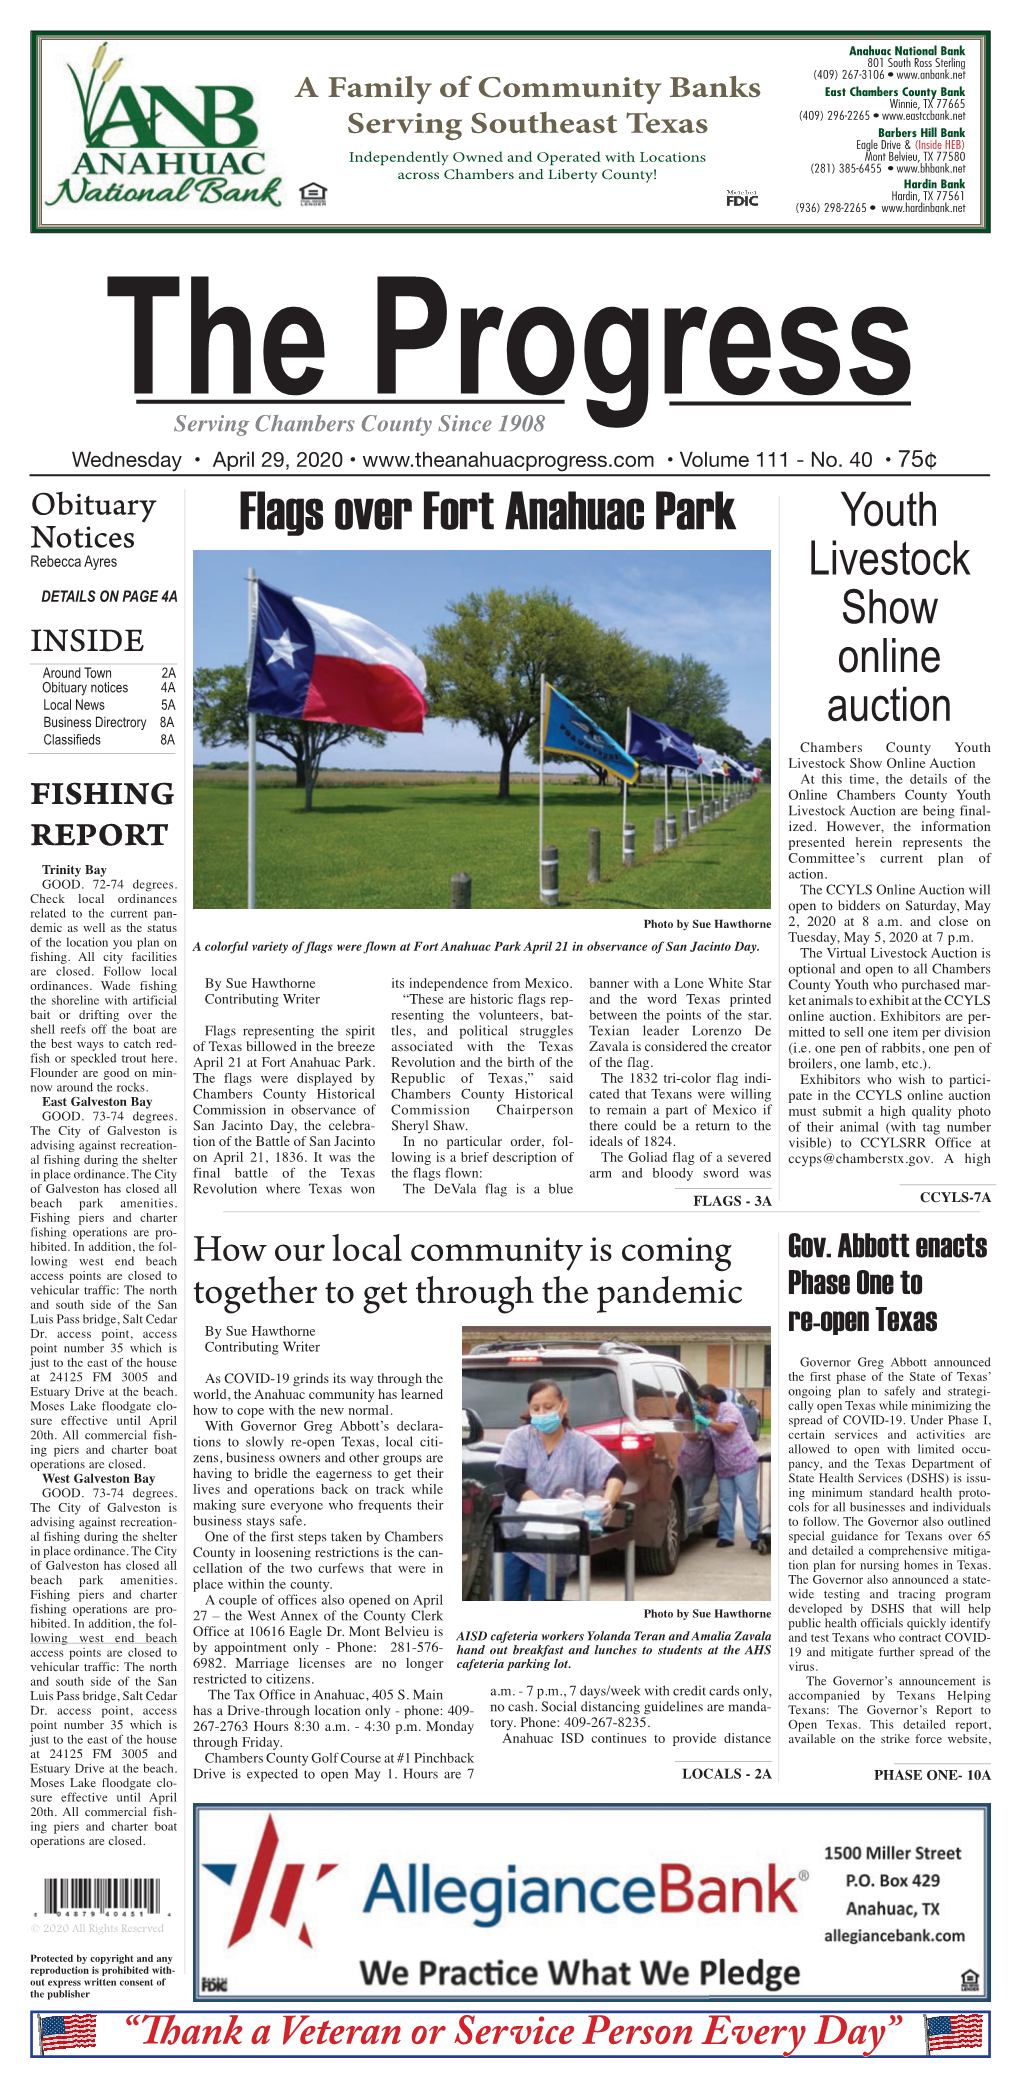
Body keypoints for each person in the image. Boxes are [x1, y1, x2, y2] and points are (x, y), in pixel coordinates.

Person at [492, 1379, 625, 1601]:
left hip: (556, 1542)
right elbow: (513, 1483)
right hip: (515, 1536)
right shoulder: (520, 1438)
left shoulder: (581, 1445)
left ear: (563, 1406)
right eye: (536, 1409)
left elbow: (616, 1473)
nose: (542, 1413)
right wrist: (548, 1509)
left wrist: (607, 1503)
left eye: (549, 1407)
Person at [699, 1384, 760, 1548]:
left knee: (747, 1499)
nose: (700, 1404)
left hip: (744, 1461)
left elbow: (728, 1428)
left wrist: (707, 1422)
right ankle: (726, 1536)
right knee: (726, 1500)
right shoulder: (704, 1415)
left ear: (710, 1399)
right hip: (724, 1465)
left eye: (701, 1400)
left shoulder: (728, 1408)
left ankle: (754, 1536)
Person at [675, 1388, 714, 1516]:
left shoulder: (704, 1418)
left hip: (704, 1467)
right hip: (685, 1466)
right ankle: (688, 1523)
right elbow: (689, 1435)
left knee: (696, 1499)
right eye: (686, 1408)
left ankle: (693, 1521)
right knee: (685, 1499)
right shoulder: (678, 1419)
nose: (688, 1412)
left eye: (690, 1408)